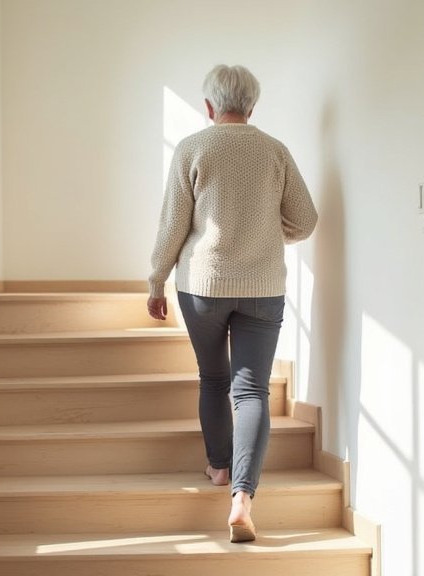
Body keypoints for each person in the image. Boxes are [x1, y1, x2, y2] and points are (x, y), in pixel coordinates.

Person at [146, 64, 318, 543]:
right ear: (252, 107)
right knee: (252, 392)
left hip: (202, 286)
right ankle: (242, 497)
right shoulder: (274, 150)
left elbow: (172, 227)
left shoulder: (192, 148)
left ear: (209, 106)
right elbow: (305, 221)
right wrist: (266, 234)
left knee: (214, 379)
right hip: (263, 287)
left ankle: (219, 468)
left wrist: (156, 281)